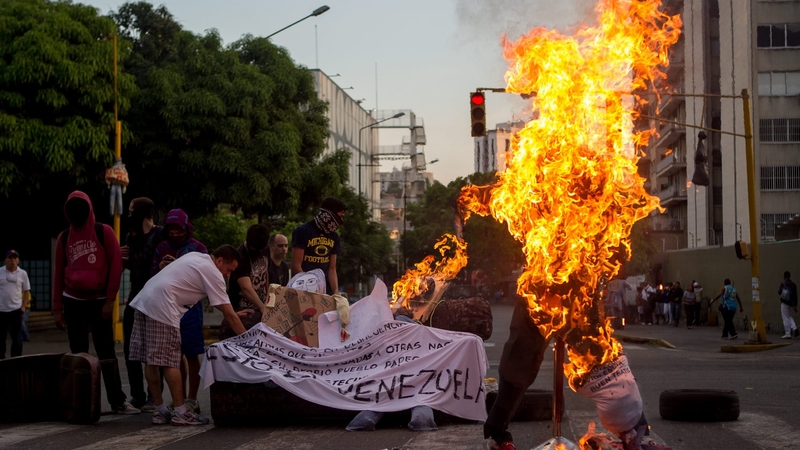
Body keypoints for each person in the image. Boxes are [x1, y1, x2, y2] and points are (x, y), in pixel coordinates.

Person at [129, 246, 246, 426]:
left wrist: (234, 315)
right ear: (220, 260)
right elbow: (228, 314)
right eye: (229, 269)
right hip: (163, 306)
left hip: (144, 300)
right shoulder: (213, 272)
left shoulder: (196, 256)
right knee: (170, 361)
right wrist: (248, 340)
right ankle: (181, 412)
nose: (228, 274)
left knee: (150, 360)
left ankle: (160, 411)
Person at [53, 191, 138, 414]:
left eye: (80, 208)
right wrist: (57, 308)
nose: (76, 213)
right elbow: (58, 273)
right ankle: (81, 402)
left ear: (89, 208)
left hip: (100, 301)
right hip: (72, 301)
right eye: (72, 209)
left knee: (106, 353)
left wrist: (110, 300)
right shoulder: (64, 237)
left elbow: (116, 266)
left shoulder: (104, 231)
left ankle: (117, 401)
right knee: (78, 355)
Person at [152, 208, 207, 413]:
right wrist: (160, 268)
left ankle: (192, 398)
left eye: (179, 230)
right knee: (174, 357)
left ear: (186, 228)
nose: (175, 234)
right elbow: (152, 277)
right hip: (167, 309)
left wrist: (179, 267)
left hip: (191, 309)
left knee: (192, 355)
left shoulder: (198, 248)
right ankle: (179, 399)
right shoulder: (161, 247)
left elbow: (205, 278)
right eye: (171, 231)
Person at [120, 197, 165, 412]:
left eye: (132, 211)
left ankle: (154, 396)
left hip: (156, 298)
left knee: (154, 348)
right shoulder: (131, 236)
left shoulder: (160, 234)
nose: (129, 215)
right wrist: (124, 259)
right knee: (130, 347)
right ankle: (137, 395)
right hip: (135, 296)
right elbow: (134, 265)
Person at [292, 197, 346, 295]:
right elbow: (296, 266)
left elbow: (332, 269)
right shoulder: (303, 231)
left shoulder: (334, 236)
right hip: (304, 290)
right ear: (328, 215)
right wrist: (310, 287)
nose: (340, 221)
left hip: (325, 293)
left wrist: (335, 292)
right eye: (340, 216)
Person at [229, 224, 270, 312]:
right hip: (243, 306)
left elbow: (265, 273)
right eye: (255, 249)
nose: (259, 251)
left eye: (261, 249)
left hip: (261, 301)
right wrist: (262, 307)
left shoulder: (266, 249)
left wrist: (268, 297)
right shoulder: (240, 256)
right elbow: (245, 287)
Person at [0, 250, 29, 359]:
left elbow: (26, 291)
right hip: (1, 310)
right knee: (1, 338)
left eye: (15, 258)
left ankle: (16, 360)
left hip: (16, 310)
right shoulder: (0, 272)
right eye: (10, 258)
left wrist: (24, 306)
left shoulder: (23, 273)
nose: (12, 260)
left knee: (17, 338)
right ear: (5, 260)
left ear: (18, 260)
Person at [778, 271, 798, 339]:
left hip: (784, 303)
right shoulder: (794, 285)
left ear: (784, 276)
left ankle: (787, 333)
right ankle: (794, 328)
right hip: (791, 304)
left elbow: (779, 292)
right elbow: (795, 296)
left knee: (785, 317)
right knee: (789, 316)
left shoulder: (783, 284)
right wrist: (795, 306)